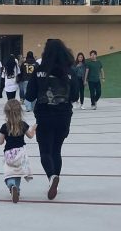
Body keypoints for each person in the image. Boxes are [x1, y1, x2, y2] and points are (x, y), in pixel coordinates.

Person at [25, 37, 80, 199]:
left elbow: (29, 96)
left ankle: (51, 177)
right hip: (64, 116)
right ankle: (55, 177)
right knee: (57, 150)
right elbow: (75, 96)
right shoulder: (70, 71)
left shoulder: (40, 70)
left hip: (44, 115)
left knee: (45, 151)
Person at [0, 97, 35, 203]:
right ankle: (16, 189)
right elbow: (30, 136)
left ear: (6, 113)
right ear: (20, 112)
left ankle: (11, 185)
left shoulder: (4, 127)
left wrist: (2, 138)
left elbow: (0, 142)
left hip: (9, 153)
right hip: (21, 153)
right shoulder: (23, 125)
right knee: (18, 173)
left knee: (9, 173)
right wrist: (34, 128)